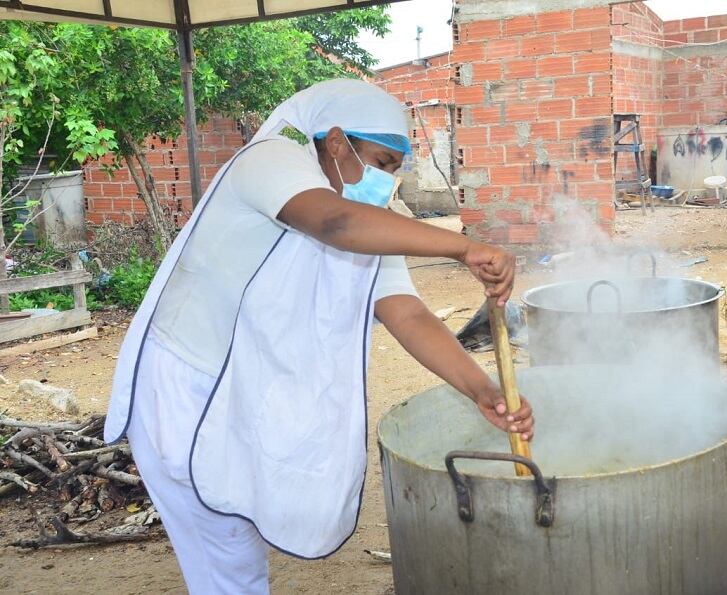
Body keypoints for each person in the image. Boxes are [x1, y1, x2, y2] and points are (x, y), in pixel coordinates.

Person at [103, 78, 534, 593]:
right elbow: (333, 224)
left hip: (241, 394)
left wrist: (481, 389)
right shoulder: (269, 161)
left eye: (395, 171)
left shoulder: (370, 220)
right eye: (380, 163)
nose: (386, 183)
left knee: (235, 547)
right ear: (335, 142)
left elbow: (407, 314)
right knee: (228, 564)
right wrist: (461, 248)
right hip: (185, 390)